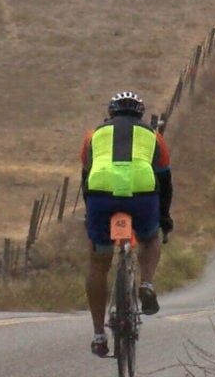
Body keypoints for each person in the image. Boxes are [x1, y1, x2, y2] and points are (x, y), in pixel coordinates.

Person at [81, 91, 174, 358]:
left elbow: (85, 177)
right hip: (141, 196)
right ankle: (147, 284)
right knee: (150, 238)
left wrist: (91, 212)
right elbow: (165, 183)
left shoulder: (94, 135)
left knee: (98, 262)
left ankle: (99, 335)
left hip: (101, 195)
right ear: (140, 114)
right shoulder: (153, 136)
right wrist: (164, 219)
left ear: (111, 113)